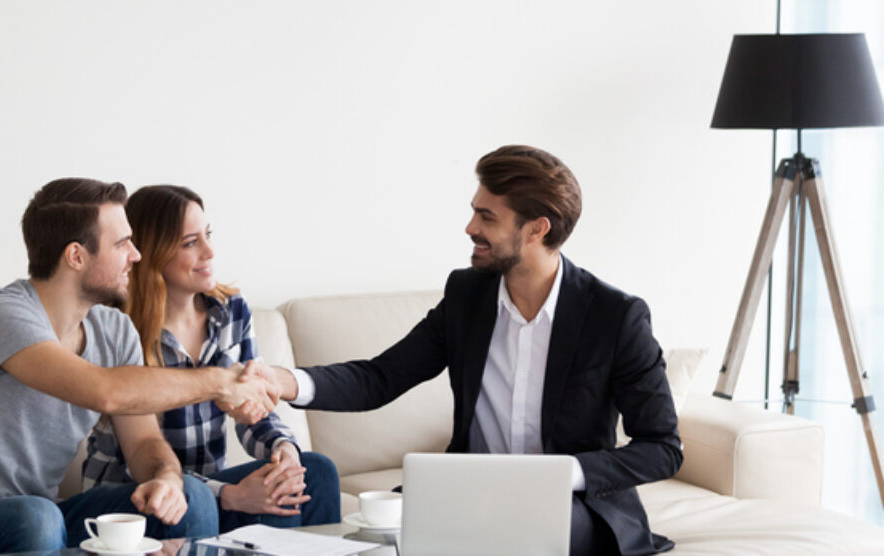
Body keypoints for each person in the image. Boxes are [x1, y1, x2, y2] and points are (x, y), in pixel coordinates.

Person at [262, 146, 683, 555]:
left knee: (522, 533)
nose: (470, 227)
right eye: (474, 211)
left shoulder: (615, 317)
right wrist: (286, 381)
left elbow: (662, 446)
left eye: (487, 217)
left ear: (537, 229)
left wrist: (560, 476)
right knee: (380, 530)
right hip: (468, 492)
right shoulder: (467, 296)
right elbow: (379, 378)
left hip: (572, 505)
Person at [0, 178, 280, 556]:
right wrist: (221, 381)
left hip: (46, 517)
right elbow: (106, 390)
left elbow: (145, 441)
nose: (136, 255)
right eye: (121, 244)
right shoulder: (2, 315)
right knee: (35, 517)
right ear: (76, 256)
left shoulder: (114, 330)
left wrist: (165, 477)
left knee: (192, 496)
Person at [84, 185, 340, 532]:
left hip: (207, 490)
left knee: (315, 473)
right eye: (191, 243)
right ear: (152, 253)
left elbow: (255, 412)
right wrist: (230, 495)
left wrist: (283, 452)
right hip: (139, 496)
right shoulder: (118, 328)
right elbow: (137, 460)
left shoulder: (231, 311)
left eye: (208, 234)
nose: (210, 251)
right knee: (217, 499)